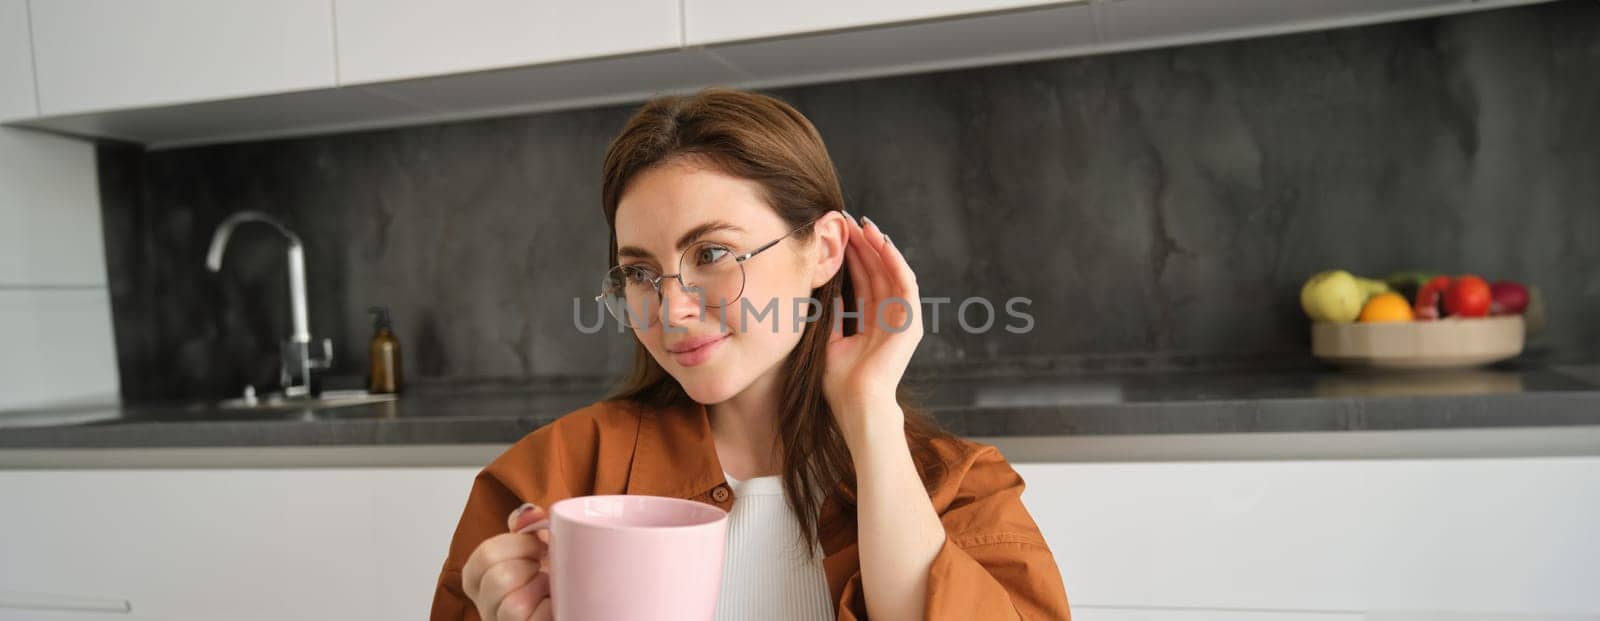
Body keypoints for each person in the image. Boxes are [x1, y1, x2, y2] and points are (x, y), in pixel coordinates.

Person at [428, 87, 1071, 620]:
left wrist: (868, 409)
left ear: (822, 250)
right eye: (639, 272)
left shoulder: (961, 491)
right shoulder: (543, 484)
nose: (671, 309)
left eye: (711, 255)